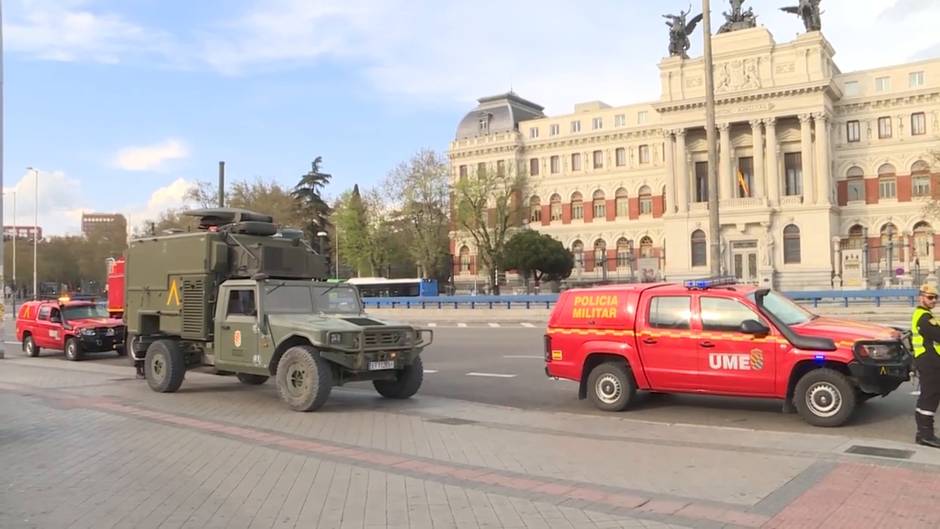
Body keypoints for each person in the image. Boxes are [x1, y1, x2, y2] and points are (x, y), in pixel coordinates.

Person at [911, 284, 940, 448]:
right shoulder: (924, 317)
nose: (934, 300)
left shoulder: (926, 315)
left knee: (928, 396)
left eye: (936, 297)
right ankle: (926, 435)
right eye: (930, 297)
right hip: (929, 362)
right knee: (930, 397)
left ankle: (922, 433)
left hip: (930, 360)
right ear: (921, 297)